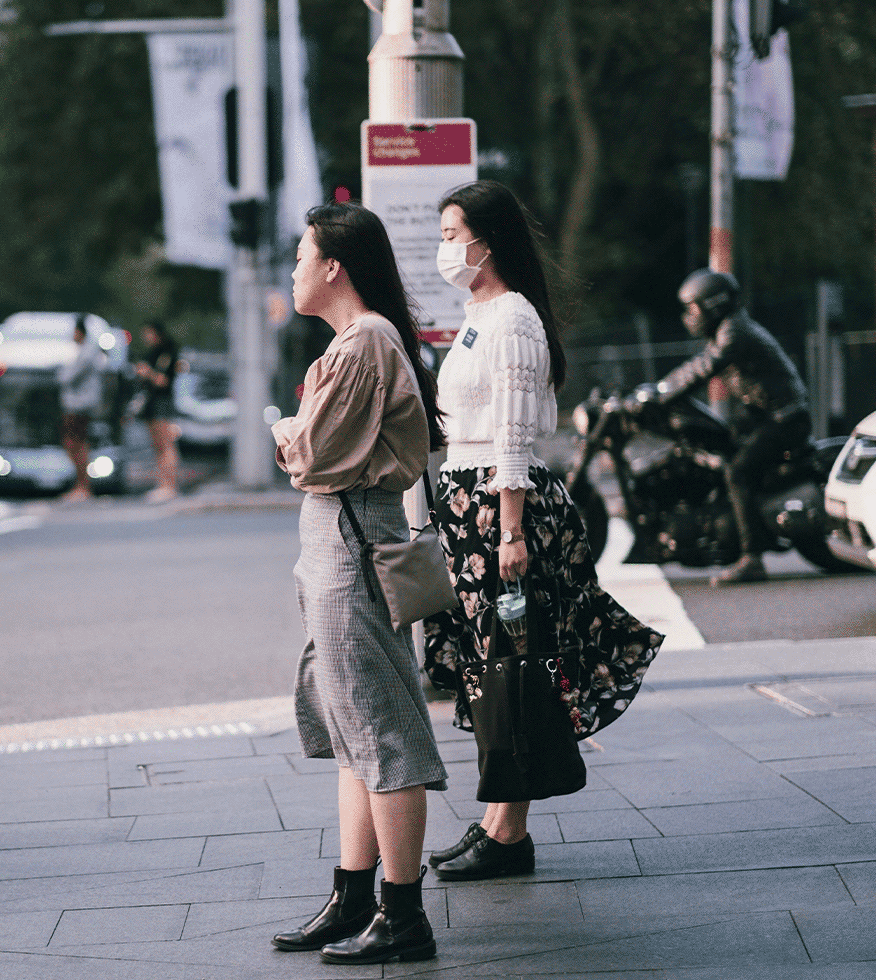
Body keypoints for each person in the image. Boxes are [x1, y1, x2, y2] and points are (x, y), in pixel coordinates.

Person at [423, 180, 664, 882]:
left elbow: (513, 435)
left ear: (486, 243)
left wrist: (511, 531)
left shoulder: (513, 320)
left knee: (514, 665)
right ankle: (500, 823)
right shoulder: (478, 315)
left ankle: (509, 833)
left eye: (450, 235)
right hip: (470, 506)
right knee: (492, 664)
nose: (443, 249)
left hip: (503, 510)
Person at [270, 201, 448, 965]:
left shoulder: (364, 342)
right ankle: (354, 895)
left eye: (302, 257)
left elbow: (312, 458)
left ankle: (401, 913)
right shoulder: (358, 341)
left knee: (380, 730)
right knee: (353, 733)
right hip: (341, 543)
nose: (294, 270)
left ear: (334, 266)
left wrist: (284, 429)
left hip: (350, 542)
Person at [627, 268, 811, 585]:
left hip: (784, 419)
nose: (688, 316)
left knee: (737, 471)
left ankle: (752, 559)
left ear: (712, 305)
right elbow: (699, 363)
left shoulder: (735, 332)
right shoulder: (727, 329)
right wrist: (658, 389)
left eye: (692, 308)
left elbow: (705, 367)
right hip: (763, 416)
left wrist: (662, 394)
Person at [56, 314, 106, 502]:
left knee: (76, 443)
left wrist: (60, 372)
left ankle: (83, 486)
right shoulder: (84, 351)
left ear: (80, 332)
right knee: (72, 443)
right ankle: (81, 485)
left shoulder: (87, 352)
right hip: (78, 405)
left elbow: (66, 377)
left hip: (80, 405)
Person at [135, 320, 181, 503]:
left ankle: (169, 485)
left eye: (148, 333)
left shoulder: (168, 352)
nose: (145, 337)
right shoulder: (152, 353)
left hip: (162, 402)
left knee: (166, 445)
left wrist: (148, 373)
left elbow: (164, 381)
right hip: (152, 404)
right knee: (158, 447)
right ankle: (162, 484)